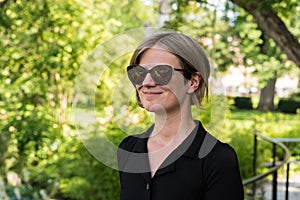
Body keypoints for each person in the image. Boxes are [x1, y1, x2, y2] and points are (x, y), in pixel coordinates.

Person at [117, 31, 244, 200]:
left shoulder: (217, 159)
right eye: (139, 73)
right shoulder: (128, 149)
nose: (146, 83)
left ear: (192, 82)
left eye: (161, 72)